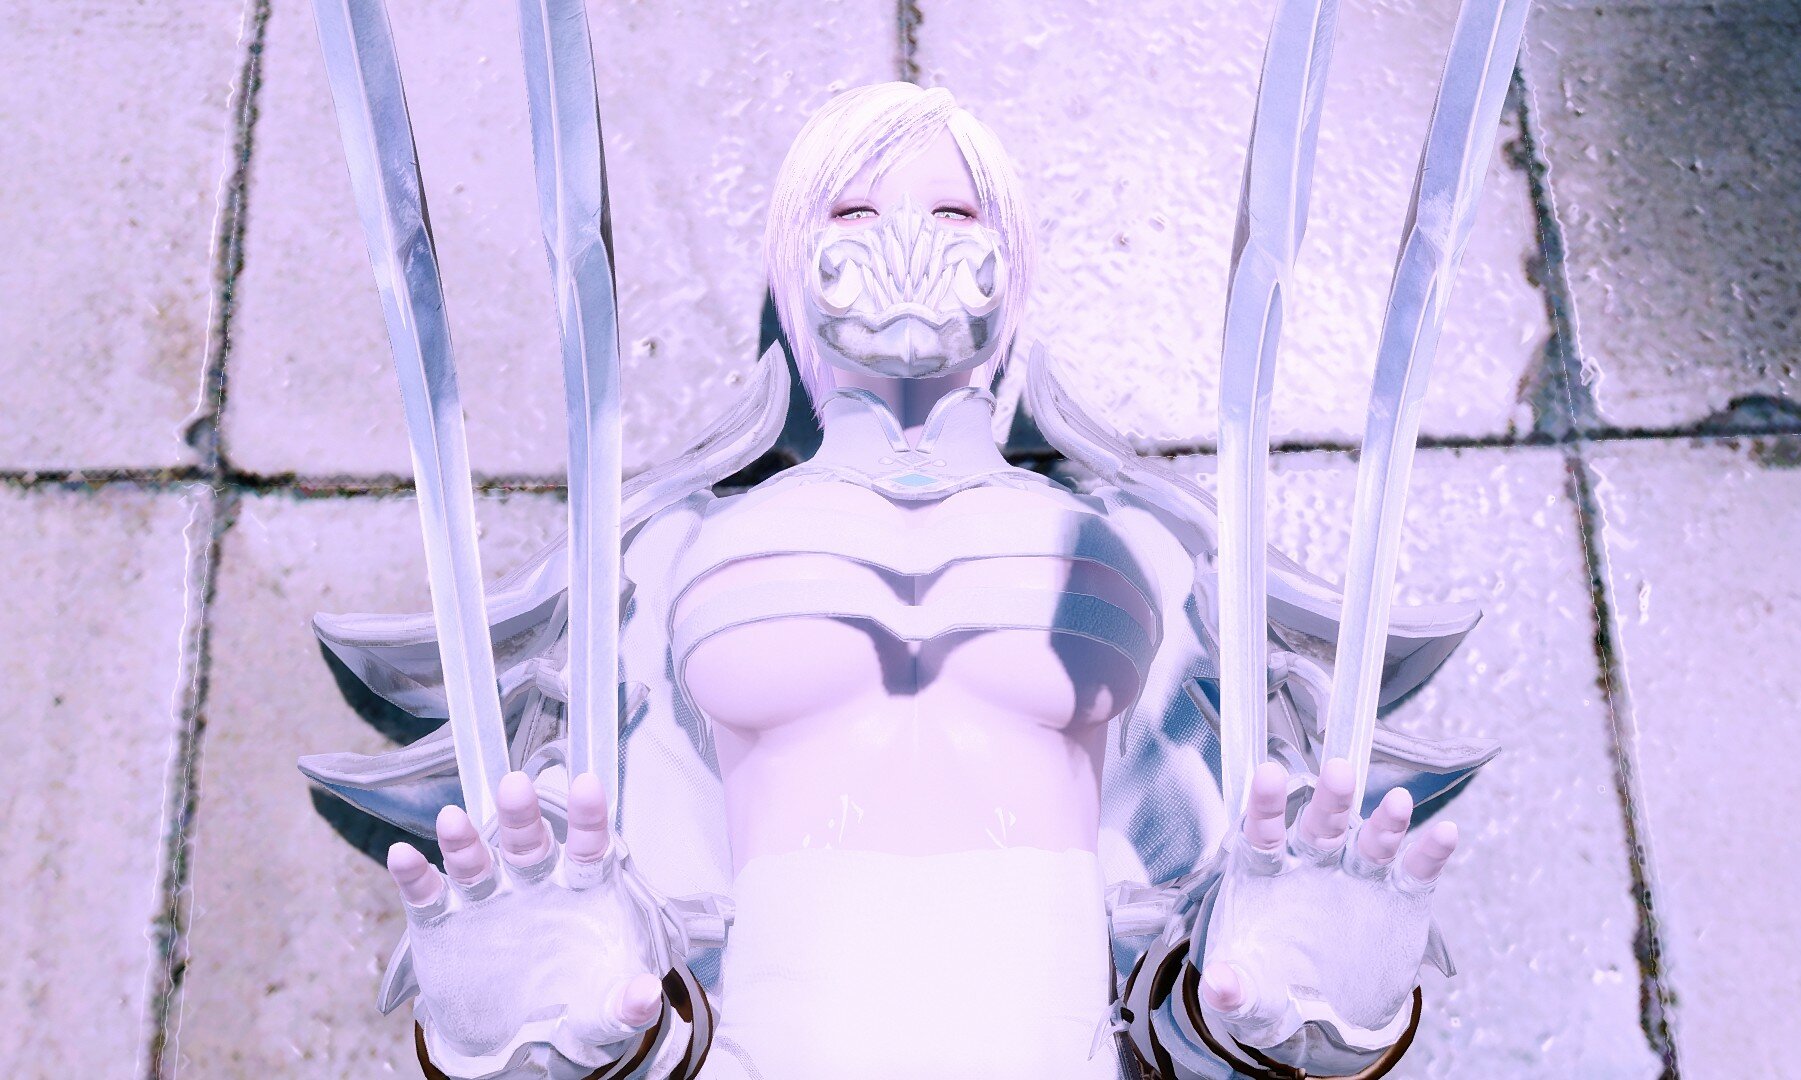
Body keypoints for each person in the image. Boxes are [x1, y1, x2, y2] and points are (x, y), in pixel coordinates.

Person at [304, 82, 1497, 1080]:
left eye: (954, 208)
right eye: (855, 207)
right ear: (795, 263)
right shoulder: (670, 557)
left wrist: (1270, 1004)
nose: (904, 241)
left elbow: (1188, 938)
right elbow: (635, 944)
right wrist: (563, 1021)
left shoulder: (1133, 550)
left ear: (1011, 266)